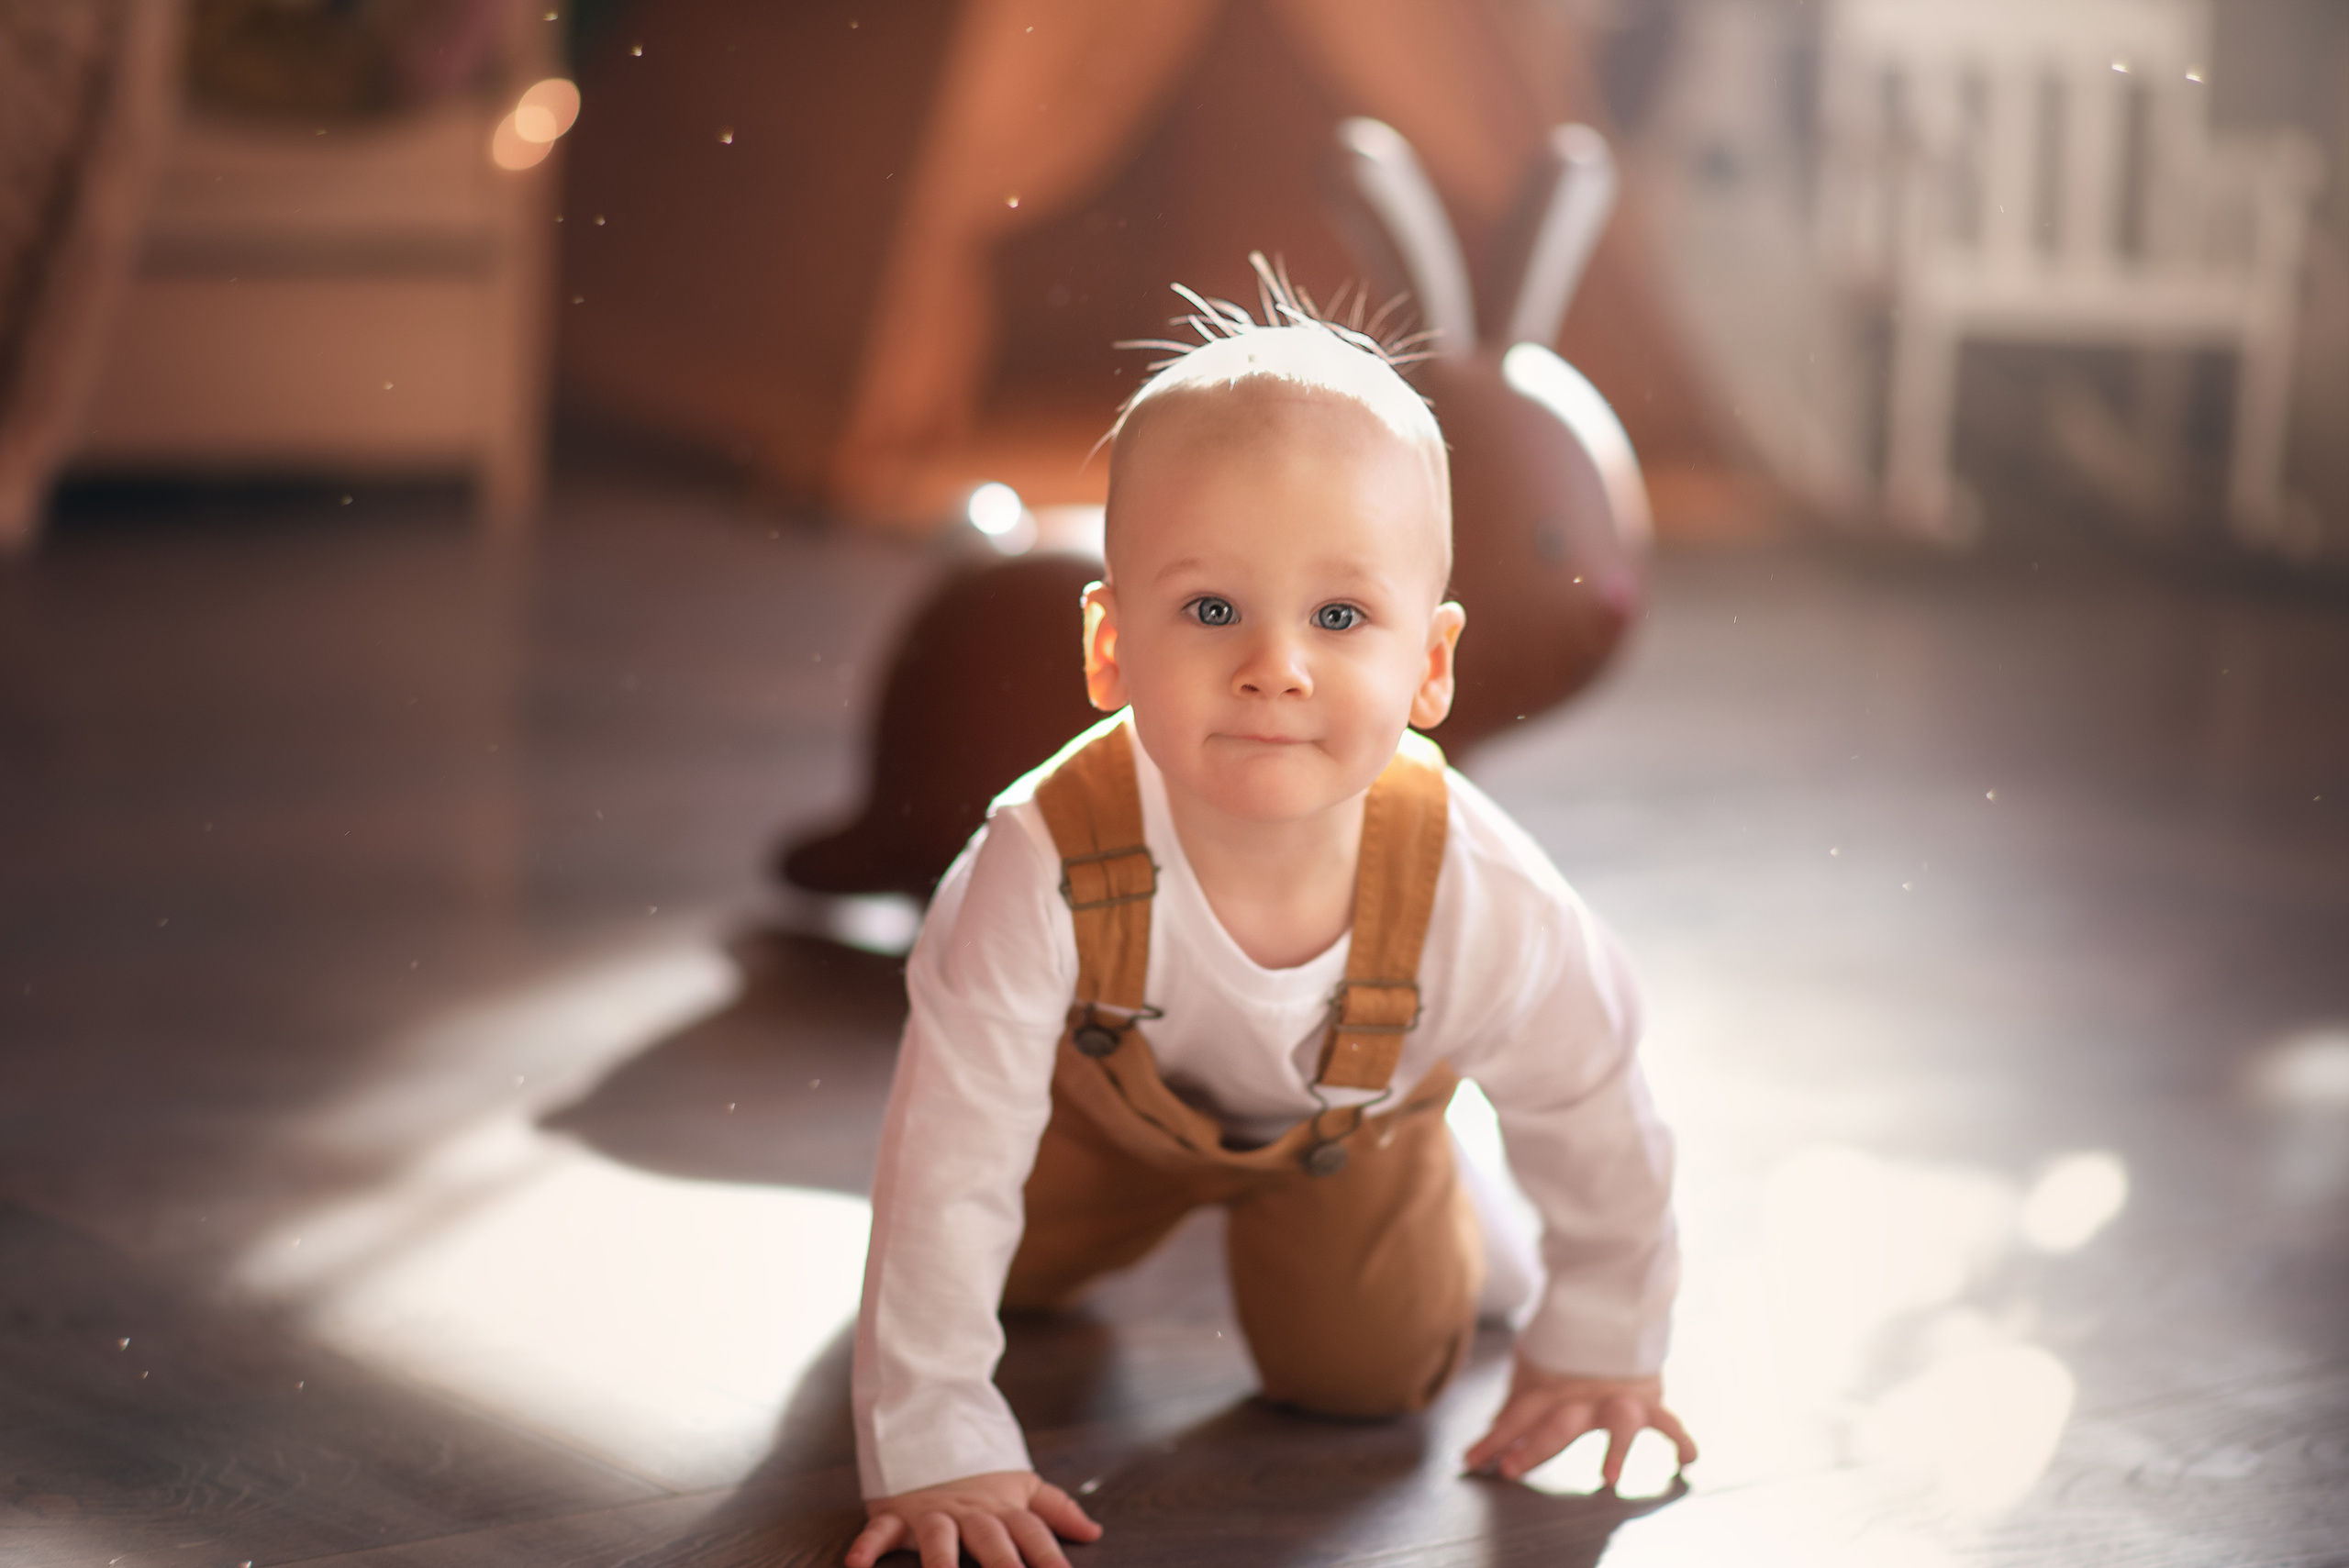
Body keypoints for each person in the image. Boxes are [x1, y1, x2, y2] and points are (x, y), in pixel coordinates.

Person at [845, 277, 1692, 1568]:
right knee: (993, 1270)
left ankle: (1442, 1181)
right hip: (1088, 1115)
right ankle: (1091, 1254)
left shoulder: (1483, 888)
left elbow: (1599, 1104)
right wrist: (938, 1430)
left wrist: (1601, 1339)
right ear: (1109, 645)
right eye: (1209, 609)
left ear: (1431, 666)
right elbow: (950, 1154)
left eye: (1340, 616)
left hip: (1340, 1142)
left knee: (1370, 1376)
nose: (1275, 665)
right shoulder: (1039, 858)